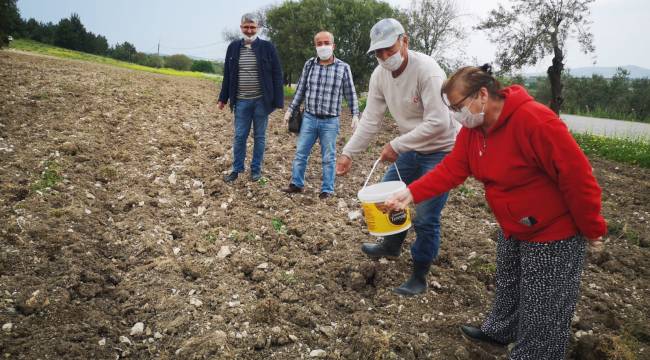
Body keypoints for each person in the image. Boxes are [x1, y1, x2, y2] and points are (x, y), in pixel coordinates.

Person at [383, 64, 607, 359]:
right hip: (514, 223)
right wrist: (410, 193)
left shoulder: (535, 121)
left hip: (554, 231)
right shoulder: (474, 131)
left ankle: (535, 354)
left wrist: (593, 228)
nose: (456, 115)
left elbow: (578, 177)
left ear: (483, 95)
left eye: (458, 106)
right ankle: (499, 330)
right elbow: (451, 169)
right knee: (509, 284)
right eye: (451, 109)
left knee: (543, 306)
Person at [336, 18, 459, 296]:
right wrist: (348, 153)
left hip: (441, 151)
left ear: (405, 41)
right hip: (411, 148)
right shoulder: (380, 75)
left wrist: (397, 144)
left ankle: (419, 274)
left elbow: (439, 122)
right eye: (378, 52)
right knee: (387, 198)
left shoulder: (427, 71)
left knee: (426, 217)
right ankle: (391, 245)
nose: (384, 57)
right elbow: (370, 119)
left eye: (389, 49)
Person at [281, 31, 360, 199]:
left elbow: (350, 93)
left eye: (326, 43)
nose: (323, 46)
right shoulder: (309, 65)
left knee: (328, 157)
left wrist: (355, 114)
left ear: (333, 46)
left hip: (330, 121)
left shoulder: (343, 67)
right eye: (319, 43)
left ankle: (327, 189)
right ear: (315, 46)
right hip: (309, 118)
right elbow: (300, 90)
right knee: (301, 153)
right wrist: (290, 109)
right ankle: (296, 183)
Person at [218, 13, 284, 183]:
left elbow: (277, 73)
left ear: (258, 28)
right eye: (246, 27)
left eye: (252, 27)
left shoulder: (268, 47)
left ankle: (256, 171)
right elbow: (228, 74)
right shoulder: (233, 47)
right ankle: (237, 169)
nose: (249, 30)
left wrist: (278, 100)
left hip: (262, 101)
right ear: (241, 28)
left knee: (260, 137)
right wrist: (223, 98)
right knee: (240, 136)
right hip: (240, 101)